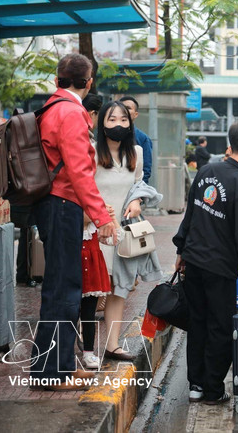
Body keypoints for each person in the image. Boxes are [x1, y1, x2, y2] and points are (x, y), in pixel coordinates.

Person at [31, 53, 116, 391]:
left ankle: (60, 366)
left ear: (57, 79)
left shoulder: (51, 108)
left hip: (52, 204)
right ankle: (53, 371)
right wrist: (102, 216)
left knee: (61, 287)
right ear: (88, 82)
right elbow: (80, 171)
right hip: (64, 205)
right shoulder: (70, 113)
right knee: (65, 288)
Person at [173, 120, 238, 406]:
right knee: (221, 328)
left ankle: (196, 386)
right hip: (219, 268)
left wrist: (180, 250)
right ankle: (213, 389)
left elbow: (190, 215)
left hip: (192, 262)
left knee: (197, 323)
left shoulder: (206, 171)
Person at [94, 101, 164, 362]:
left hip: (121, 233)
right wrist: (98, 216)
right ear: (102, 123)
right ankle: (85, 347)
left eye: (124, 120)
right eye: (112, 120)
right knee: (89, 293)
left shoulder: (135, 152)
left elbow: (139, 184)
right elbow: (82, 189)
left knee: (118, 289)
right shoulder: (91, 152)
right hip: (93, 230)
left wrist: (137, 200)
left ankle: (112, 346)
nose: (119, 125)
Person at [119, 96, 153, 184]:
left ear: (136, 114)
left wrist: (138, 193)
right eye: (121, 108)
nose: (124, 110)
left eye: (128, 108)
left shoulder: (143, 139)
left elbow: (146, 170)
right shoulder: (107, 134)